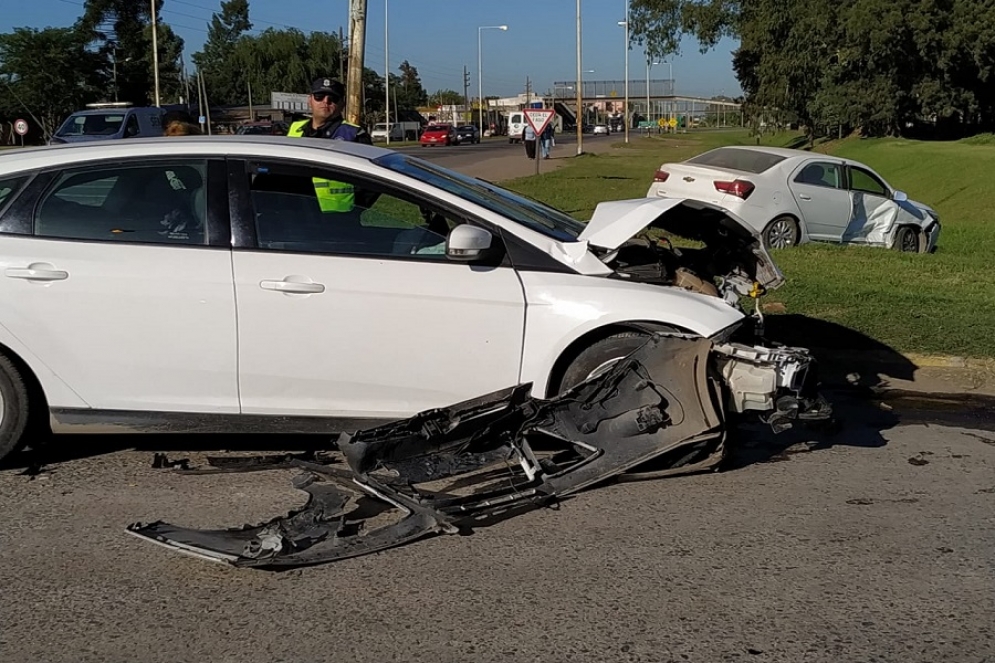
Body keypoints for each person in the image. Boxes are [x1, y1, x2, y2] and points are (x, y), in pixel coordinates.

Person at [286, 77, 372, 213]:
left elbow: (371, 183)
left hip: (338, 216)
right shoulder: (295, 129)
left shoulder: (354, 134)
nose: (326, 101)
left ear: (342, 104)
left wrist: (357, 208)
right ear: (310, 100)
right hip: (298, 213)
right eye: (319, 96)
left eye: (333, 98)